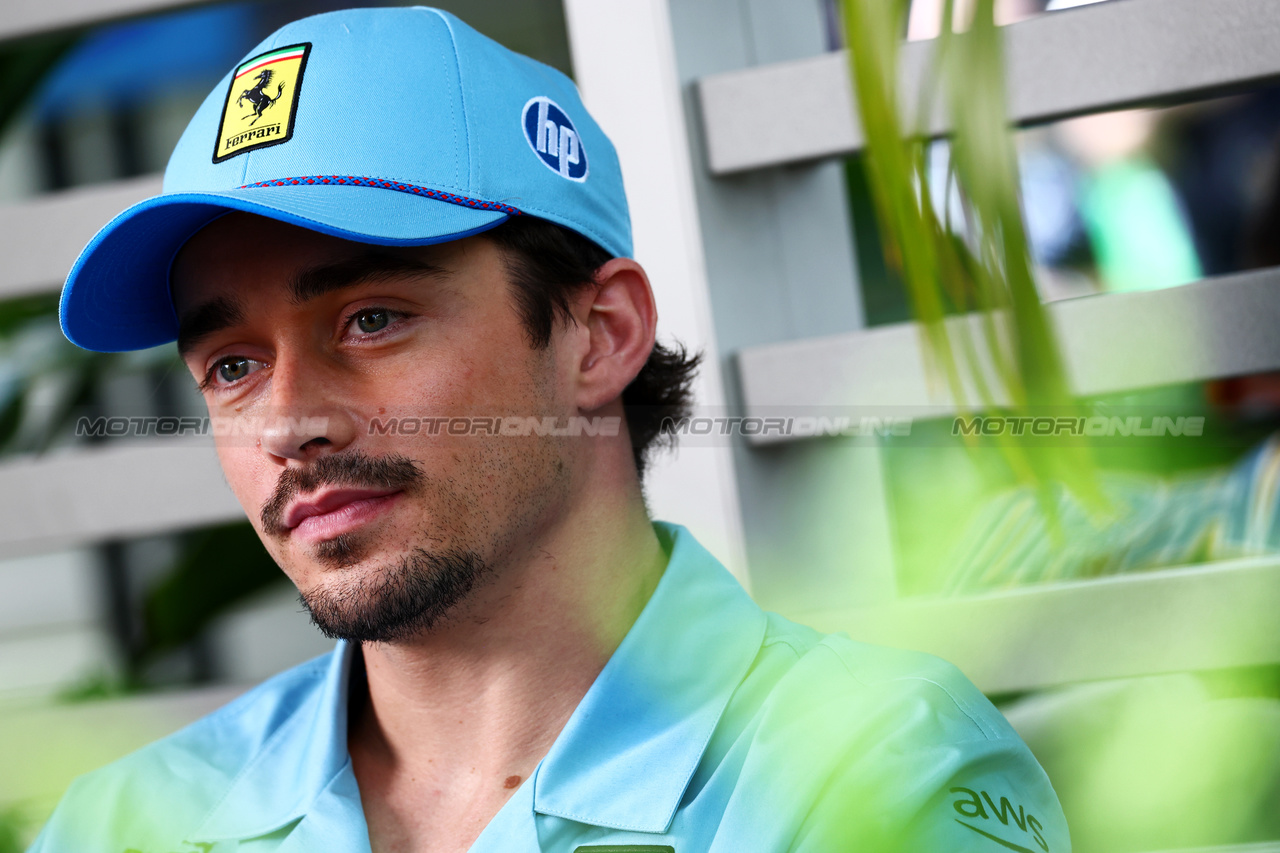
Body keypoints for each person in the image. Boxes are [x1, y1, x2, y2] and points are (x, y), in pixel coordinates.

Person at [34, 7, 1071, 852]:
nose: (288, 421)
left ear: (599, 336)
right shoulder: (124, 823)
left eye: (371, 319)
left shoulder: (875, 769)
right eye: (233, 365)